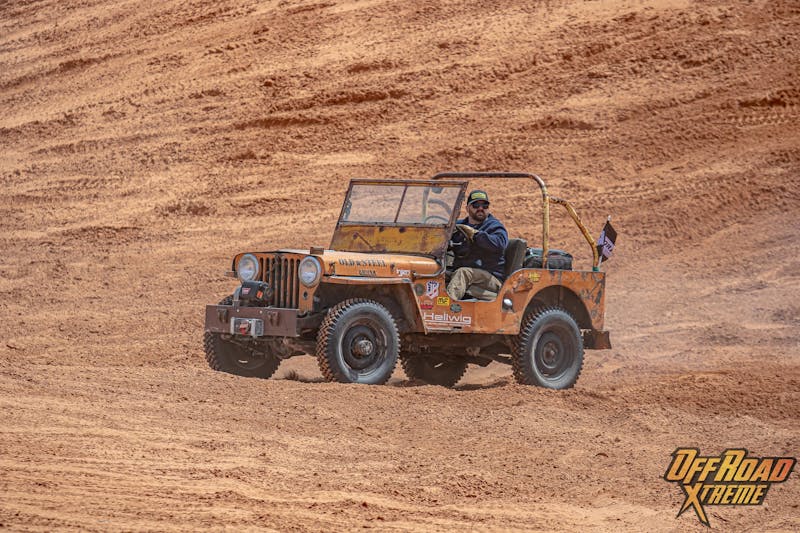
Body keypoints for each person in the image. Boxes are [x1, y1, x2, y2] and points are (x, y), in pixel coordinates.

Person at [446, 190, 508, 301]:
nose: (480, 208)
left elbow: (500, 244)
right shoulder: (459, 225)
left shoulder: (494, 226)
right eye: (476, 205)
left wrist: (476, 235)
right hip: (465, 272)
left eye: (485, 205)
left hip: (491, 277)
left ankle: (447, 310)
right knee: (437, 274)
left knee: (463, 273)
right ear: (467, 208)